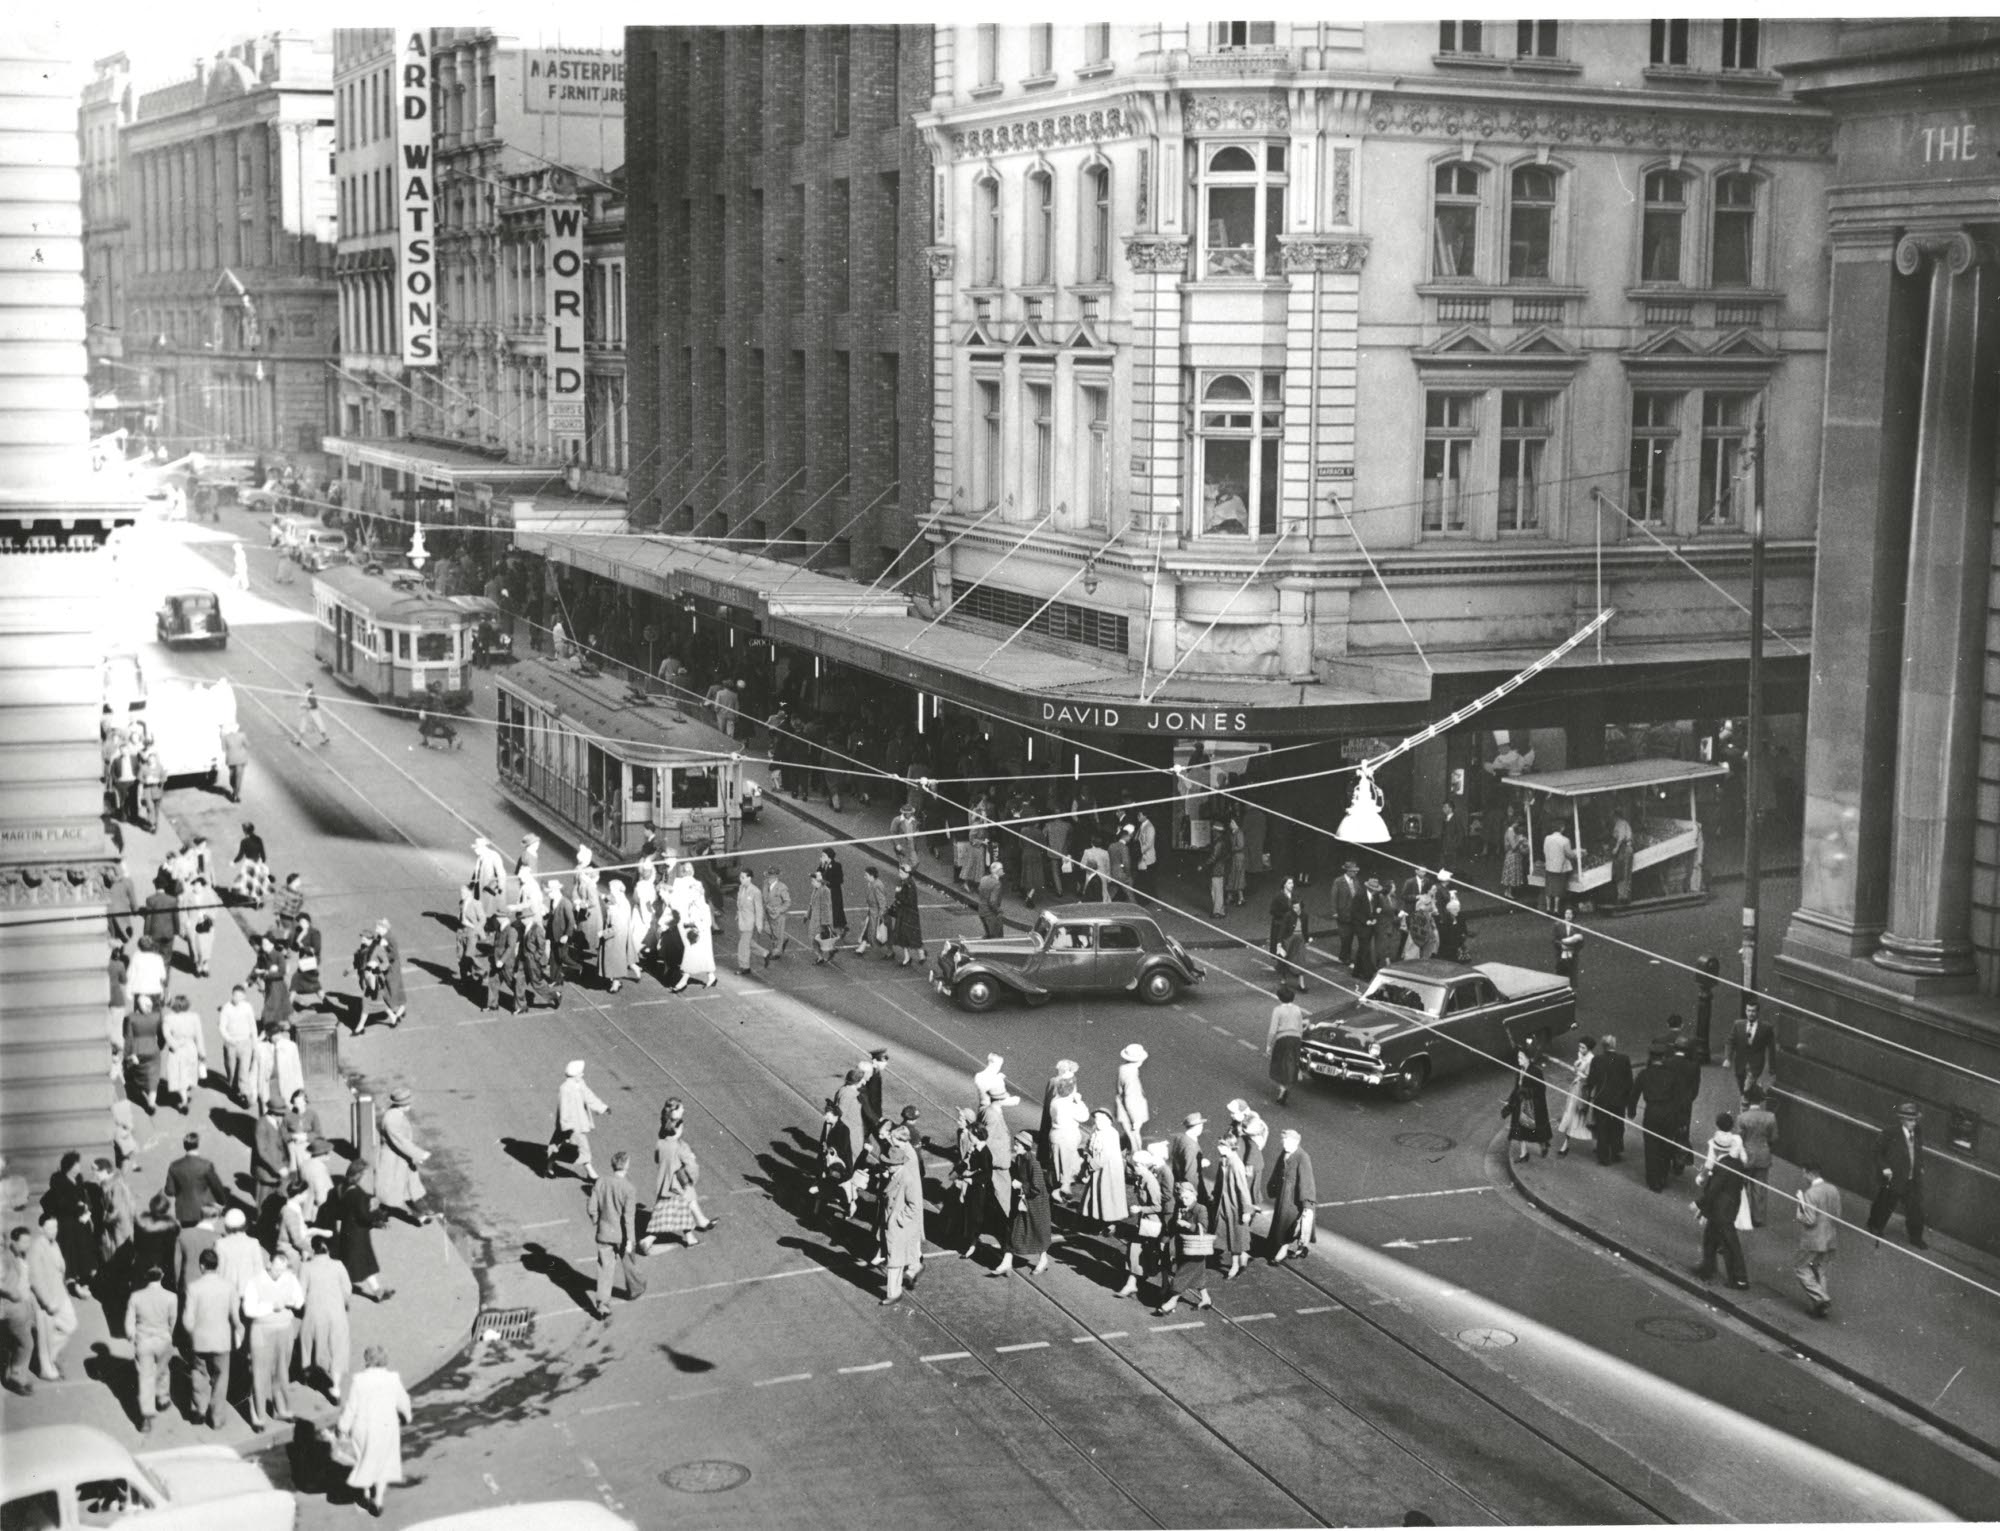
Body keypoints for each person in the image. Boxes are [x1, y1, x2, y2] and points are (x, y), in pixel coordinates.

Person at [338, 1344, 413, 1518]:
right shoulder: (392, 1379)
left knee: (364, 1459)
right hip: (385, 1427)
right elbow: (403, 1401)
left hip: (362, 1428)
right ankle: (377, 1500)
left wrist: (342, 1427)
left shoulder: (359, 1380)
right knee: (383, 1462)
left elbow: (351, 1407)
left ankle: (364, 1492)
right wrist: (406, 1416)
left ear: (367, 1361)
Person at [242, 1247, 304, 1426]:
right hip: (262, 1330)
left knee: (282, 1371)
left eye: (282, 1269)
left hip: (285, 1329)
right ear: (269, 1264)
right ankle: (258, 1416)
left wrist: (290, 1302)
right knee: (260, 1373)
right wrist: (272, 1306)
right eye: (276, 1269)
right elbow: (249, 1309)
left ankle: (281, 1409)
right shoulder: (255, 1281)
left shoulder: (290, 1278)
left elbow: (299, 1301)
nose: (279, 1273)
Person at [586, 1151, 646, 1322]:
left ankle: (602, 1306)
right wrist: (630, 1240)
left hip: (604, 1233)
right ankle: (636, 1288)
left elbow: (591, 1208)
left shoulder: (601, 1182)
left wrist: (598, 1222)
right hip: (622, 1236)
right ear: (626, 1166)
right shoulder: (629, 1188)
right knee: (629, 1263)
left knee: (605, 1270)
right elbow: (629, 1218)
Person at [1692, 1115, 1751, 1289]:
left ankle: (1739, 1278)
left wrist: (1699, 1203)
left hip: (1721, 1207)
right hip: (1730, 1202)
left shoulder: (1722, 1166)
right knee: (1710, 1237)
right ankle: (1707, 1267)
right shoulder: (1735, 1154)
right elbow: (1745, 1162)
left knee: (1729, 1242)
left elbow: (1712, 1188)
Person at [182, 1247, 235, 1426]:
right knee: (221, 1377)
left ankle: (199, 1410)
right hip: (222, 1340)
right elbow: (234, 1316)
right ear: (217, 1266)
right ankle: (217, 1417)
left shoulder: (194, 1287)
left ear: (202, 1266)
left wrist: (192, 1334)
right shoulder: (228, 1287)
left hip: (200, 1339)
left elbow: (188, 1319)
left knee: (199, 1373)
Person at [298, 1229, 353, 1401]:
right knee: (338, 1348)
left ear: (313, 1250)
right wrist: (343, 1302)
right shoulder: (338, 1265)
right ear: (328, 1249)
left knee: (309, 1342)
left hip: (315, 1313)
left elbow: (300, 1293)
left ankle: (308, 1371)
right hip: (336, 1313)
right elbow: (348, 1290)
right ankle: (335, 1387)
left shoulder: (306, 1267)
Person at [1866, 1101, 1928, 1248]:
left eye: (1915, 1120)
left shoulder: (1917, 1132)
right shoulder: (1890, 1133)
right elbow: (1876, 1152)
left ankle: (1916, 1237)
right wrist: (1885, 1168)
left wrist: (1921, 1166)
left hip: (1911, 1180)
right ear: (1902, 1120)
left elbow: (1918, 1150)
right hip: (1894, 1178)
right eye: (1910, 1120)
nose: (1913, 1123)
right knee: (1885, 1204)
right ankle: (1874, 1225)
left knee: (1915, 1210)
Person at [1153, 1181, 1215, 1316]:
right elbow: (1173, 1228)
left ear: (1194, 1196)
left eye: (1187, 1198)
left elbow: (1203, 1228)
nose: (1184, 1201)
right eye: (1182, 1198)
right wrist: (1166, 1239)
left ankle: (1172, 1302)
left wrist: (1187, 1225)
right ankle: (1206, 1299)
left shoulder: (1200, 1209)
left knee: (1182, 1276)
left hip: (1196, 1250)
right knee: (1196, 1276)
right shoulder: (1180, 1207)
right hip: (1184, 1249)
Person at [375, 1089, 437, 1226]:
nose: (410, 1105)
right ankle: (381, 1214)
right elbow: (400, 1140)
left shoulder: (396, 1114)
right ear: (401, 1104)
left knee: (405, 1189)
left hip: (400, 1158)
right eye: (407, 1103)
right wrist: (419, 1154)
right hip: (394, 1160)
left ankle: (419, 1215)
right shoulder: (391, 1118)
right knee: (396, 1190)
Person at [334, 1163, 392, 1303]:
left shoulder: (345, 1188)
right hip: (357, 1235)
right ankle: (339, 1297)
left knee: (361, 1264)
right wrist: (378, 1218)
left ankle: (378, 1291)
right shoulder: (357, 1194)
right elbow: (364, 1215)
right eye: (366, 1174)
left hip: (349, 1231)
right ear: (359, 1176)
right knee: (353, 1266)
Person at [880, 1132, 925, 1305]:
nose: (886, 1166)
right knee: (895, 1260)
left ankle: (893, 1293)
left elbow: (914, 1205)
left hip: (898, 1227)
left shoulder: (907, 1179)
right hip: (894, 1226)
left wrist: (898, 1219)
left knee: (894, 1262)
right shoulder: (897, 1175)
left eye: (889, 1164)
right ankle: (898, 1286)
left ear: (897, 1164)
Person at [548, 1059, 609, 1185]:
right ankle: (592, 1174)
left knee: (557, 1145)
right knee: (582, 1149)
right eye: (581, 1073)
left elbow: (589, 1096)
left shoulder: (579, 1083)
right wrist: (567, 1126)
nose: (582, 1074)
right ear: (574, 1074)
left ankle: (549, 1166)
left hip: (576, 1124)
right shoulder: (565, 1088)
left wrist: (602, 1107)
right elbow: (563, 1108)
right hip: (571, 1126)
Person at [1793, 1161, 1840, 1319]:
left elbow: (1809, 1219)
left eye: (1804, 1172)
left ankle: (1821, 1299)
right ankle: (1820, 1309)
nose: (1803, 1175)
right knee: (1819, 1269)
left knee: (1801, 1267)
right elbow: (1837, 1215)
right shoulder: (1833, 1189)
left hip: (1813, 1239)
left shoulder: (1810, 1194)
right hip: (1830, 1237)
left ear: (1809, 1173)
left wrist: (1800, 1205)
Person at [1266, 1128, 1316, 1264]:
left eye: (1287, 1141)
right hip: (1283, 1195)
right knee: (1283, 1222)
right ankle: (1301, 1246)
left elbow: (1307, 1181)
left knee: (1288, 1223)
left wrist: (1307, 1203)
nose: (1284, 1144)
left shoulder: (1302, 1157)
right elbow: (1277, 1170)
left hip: (1294, 1198)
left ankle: (1282, 1252)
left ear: (1296, 1142)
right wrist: (1272, 1187)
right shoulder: (1286, 1152)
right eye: (1283, 1141)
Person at [1080, 1109, 1129, 1235]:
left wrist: (1090, 1167)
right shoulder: (1095, 1130)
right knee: (1097, 1196)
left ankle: (1111, 1223)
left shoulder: (1111, 1133)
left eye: (1100, 1118)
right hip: (1097, 1169)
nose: (1097, 1121)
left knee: (1107, 1196)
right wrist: (1087, 1155)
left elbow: (1105, 1155)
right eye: (1096, 1118)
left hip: (1109, 1171)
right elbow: (1087, 1146)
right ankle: (1098, 1222)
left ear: (1108, 1120)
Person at [353, 919, 407, 1032]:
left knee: (391, 988)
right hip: (380, 972)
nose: (376, 929)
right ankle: (395, 1012)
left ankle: (399, 1008)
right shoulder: (379, 938)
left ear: (384, 928)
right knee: (388, 991)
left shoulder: (389, 938)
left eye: (378, 927)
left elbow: (392, 955)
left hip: (391, 968)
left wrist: (383, 950)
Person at [2, 1226, 38, 1396]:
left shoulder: (14, 1254)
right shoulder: (5, 1258)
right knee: (26, 1344)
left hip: (21, 1306)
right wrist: (14, 1294)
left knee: (17, 1343)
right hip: (12, 1308)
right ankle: (15, 1378)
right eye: (23, 1242)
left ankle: (12, 1373)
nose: (27, 1245)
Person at [1736, 1085, 1779, 1227]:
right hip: (1763, 1154)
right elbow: (1773, 1138)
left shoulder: (1742, 1118)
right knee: (1759, 1187)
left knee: (1742, 1185)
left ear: (1748, 1100)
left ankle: (1742, 1214)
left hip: (1746, 1155)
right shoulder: (1770, 1117)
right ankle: (1758, 1218)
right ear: (1761, 1100)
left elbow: (1739, 1138)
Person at [1588, 1034, 1634, 1166]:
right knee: (1618, 1125)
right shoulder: (1624, 1059)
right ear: (1614, 1045)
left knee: (1602, 1126)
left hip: (1602, 1099)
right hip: (1619, 1100)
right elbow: (1629, 1082)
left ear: (1603, 1046)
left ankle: (1603, 1156)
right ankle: (1616, 1151)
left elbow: (1592, 1080)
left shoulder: (1597, 1060)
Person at [1504, 1043, 1553, 1162]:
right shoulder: (1519, 1071)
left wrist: (1526, 1092)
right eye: (1518, 1057)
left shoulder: (1535, 1072)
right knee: (1519, 1130)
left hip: (1532, 1106)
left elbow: (1541, 1089)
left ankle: (1543, 1145)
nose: (1518, 1059)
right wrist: (1510, 1101)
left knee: (1535, 1131)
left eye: (1521, 1057)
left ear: (1528, 1058)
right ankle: (1524, 1154)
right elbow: (1516, 1088)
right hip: (1520, 1104)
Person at [159, 994, 205, 1116]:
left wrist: (174, 1044)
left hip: (178, 1050)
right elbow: (199, 1035)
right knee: (188, 1071)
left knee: (179, 1075)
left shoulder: (169, 1018)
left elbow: (167, 1035)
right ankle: (186, 1091)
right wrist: (201, 1051)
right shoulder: (194, 1017)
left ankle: (184, 1099)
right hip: (190, 1048)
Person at [1045, 1078, 1090, 1199]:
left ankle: (1062, 1187)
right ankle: (1061, 1189)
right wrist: (1079, 1101)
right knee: (1068, 1164)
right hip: (1067, 1137)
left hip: (1055, 1134)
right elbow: (1084, 1116)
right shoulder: (1070, 1105)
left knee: (1059, 1163)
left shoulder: (1055, 1101)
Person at [1553, 1036, 1597, 1156]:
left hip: (1582, 1090)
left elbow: (1589, 1077)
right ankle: (1565, 1144)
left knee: (1580, 1116)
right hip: (1576, 1088)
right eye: (1580, 1046)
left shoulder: (1591, 1059)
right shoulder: (1581, 1056)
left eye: (1583, 1047)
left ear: (1589, 1048)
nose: (1580, 1049)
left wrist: (1580, 1073)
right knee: (1571, 1114)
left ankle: (1598, 1143)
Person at [124, 995, 164, 1116]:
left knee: (139, 1073)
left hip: (138, 1050)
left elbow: (128, 1038)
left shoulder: (131, 1018)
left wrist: (128, 1055)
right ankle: (151, 1103)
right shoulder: (156, 1017)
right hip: (153, 1049)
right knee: (154, 1076)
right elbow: (161, 1035)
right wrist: (159, 1046)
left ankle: (139, 1088)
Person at [216, 985, 257, 1106]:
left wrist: (254, 1042)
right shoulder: (226, 1008)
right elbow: (222, 1027)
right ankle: (233, 1090)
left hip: (245, 1043)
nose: (237, 998)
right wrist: (229, 1039)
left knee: (244, 1072)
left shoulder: (247, 1007)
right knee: (232, 1070)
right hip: (231, 1045)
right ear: (232, 995)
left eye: (240, 996)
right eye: (235, 995)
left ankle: (245, 1096)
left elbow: (252, 1025)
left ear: (244, 996)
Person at [1726, 1000, 1776, 1098]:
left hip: (1756, 1064)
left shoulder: (1766, 1028)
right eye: (1748, 1011)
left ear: (1758, 1012)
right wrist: (1728, 1058)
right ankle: (1747, 1103)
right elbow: (1730, 1041)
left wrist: (1772, 1068)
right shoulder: (1738, 1025)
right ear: (1745, 1011)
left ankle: (1745, 1108)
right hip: (1740, 1063)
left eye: (1753, 1011)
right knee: (1742, 1087)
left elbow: (1771, 1049)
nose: (1751, 1014)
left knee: (1747, 1087)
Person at [1268, 876, 1310, 991]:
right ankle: (1283, 977)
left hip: (1292, 928)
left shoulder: (1295, 897)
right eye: (1289, 883)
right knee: (1284, 954)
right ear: (1284, 885)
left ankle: (1298, 981)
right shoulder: (1279, 896)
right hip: (1281, 926)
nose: (1292, 885)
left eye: (1292, 883)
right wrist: (1286, 916)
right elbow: (1273, 910)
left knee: (1298, 956)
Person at [1266, 983, 1304, 1107]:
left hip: (1283, 1039)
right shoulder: (1297, 1009)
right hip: (1296, 1039)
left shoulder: (1278, 1010)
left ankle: (1282, 1088)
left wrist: (1268, 1045)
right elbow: (1300, 1027)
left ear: (1279, 997)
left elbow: (1273, 1029)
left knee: (1279, 1064)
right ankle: (1288, 1084)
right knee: (1292, 1063)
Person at [734, 869, 770, 976]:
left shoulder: (755, 891)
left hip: (749, 922)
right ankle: (765, 953)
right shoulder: (741, 888)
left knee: (743, 945)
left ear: (749, 878)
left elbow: (759, 909)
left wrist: (759, 924)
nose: (741, 880)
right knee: (748, 943)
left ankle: (745, 967)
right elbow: (739, 903)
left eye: (743, 877)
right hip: (741, 920)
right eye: (740, 877)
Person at [1115, 1043, 1149, 1150]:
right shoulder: (1132, 1076)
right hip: (1131, 1113)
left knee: (1129, 1136)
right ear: (1140, 1060)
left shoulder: (1123, 1068)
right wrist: (1136, 1120)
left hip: (1122, 1109)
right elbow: (1129, 1099)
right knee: (1135, 1140)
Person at [888, 868, 923, 967]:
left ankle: (919, 954)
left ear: (907, 873)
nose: (899, 874)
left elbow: (909, 901)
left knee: (910, 935)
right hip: (903, 913)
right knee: (904, 936)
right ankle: (909, 957)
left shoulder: (909, 885)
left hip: (909, 914)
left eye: (901, 872)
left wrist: (898, 893)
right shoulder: (903, 882)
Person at [855, 864, 891, 957]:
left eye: (866, 875)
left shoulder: (877, 885)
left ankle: (890, 950)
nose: (865, 877)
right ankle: (862, 947)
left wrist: (881, 915)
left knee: (880, 933)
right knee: (869, 929)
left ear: (871, 876)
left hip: (877, 913)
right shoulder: (872, 883)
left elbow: (882, 901)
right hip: (872, 912)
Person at [807, 869, 841, 965]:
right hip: (815, 918)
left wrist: (825, 923)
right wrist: (807, 914)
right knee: (818, 938)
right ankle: (828, 952)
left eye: (813, 881)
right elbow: (811, 904)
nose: (811, 882)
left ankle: (820, 957)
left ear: (819, 881)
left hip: (820, 920)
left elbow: (826, 907)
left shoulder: (825, 891)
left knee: (815, 938)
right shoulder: (816, 889)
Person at [761, 867, 794, 965]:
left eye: (771, 876)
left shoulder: (782, 887)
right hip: (767, 912)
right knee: (766, 928)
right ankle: (783, 938)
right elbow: (765, 898)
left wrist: (779, 910)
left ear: (776, 877)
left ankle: (777, 952)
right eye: (768, 876)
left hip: (777, 915)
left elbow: (787, 902)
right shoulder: (765, 884)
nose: (768, 878)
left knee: (777, 933)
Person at [1540, 821, 1573, 913]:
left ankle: (1547, 907)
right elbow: (1569, 854)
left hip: (1549, 866)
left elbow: (1544, 851)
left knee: (1549, 887)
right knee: (1558, 889)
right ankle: (1556, 909)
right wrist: (1577, 853)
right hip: (1560, 868)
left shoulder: (1547, 838)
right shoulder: (1565, 840)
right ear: (1562, 828)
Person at [1500, 818, 1529, 903]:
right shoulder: (1510, 831)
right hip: (1512, 855)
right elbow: (1513, 847)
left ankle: (1509, 891)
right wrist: (1520, 841)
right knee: (1511, 874)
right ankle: (1508, 892)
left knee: (1511, 873)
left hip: (1514, 855)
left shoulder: (1511, 831)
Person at [976, 858, 1005, 938]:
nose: (1003, 871)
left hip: (981, 911)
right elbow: (992, 901)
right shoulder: (997, 884)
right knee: (997, 938)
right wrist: (999, 911)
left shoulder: (984, 879)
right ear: (998, 871)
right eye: (1002, 869)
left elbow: (979, 890)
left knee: (988, 935)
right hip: (991, 914)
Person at [1611, 811, 1635, 905]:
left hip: (1624, 849)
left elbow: (1621, 837)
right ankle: (1624, 896)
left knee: (1622, 873)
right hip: (1626, 849)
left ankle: (1623, 897)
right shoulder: (1623, 823)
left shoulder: (1620, 823)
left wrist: (1616, 848)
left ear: (1615, 817)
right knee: (1624, 873)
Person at [297, 681, 331, 747]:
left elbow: (314, 705)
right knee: (319, 725)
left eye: (305, 686)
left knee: (304, 724)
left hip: (311, 712)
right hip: (312, 712)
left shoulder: (310, 694)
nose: (304, 687)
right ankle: (325, 738)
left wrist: (304, 705)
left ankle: (298, 741)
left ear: (307, 686)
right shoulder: (310, 693)